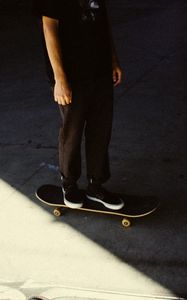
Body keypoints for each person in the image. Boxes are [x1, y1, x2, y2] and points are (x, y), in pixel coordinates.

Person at [33, 0, 124, 210]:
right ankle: (69, 184)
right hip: (72, 75)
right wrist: (59, 78)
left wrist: (112, 59)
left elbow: (103, 24)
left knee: (100, 130)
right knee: (72, 131)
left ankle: (96, 185)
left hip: (99, 71)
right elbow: (49, 28)